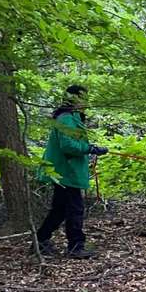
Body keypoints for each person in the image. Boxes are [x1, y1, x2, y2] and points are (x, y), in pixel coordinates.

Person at [35, 85, 108, 259]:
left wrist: (90, 149)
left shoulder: (72, 117)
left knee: (59, 209)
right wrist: (90, 148)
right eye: (83, 98)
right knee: (75, 208)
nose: (86, 102)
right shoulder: (66, 118)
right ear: (74, 99)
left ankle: (41, 240)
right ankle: (76, 246)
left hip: (65, 170)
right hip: (65, 171)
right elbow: (67, 146)